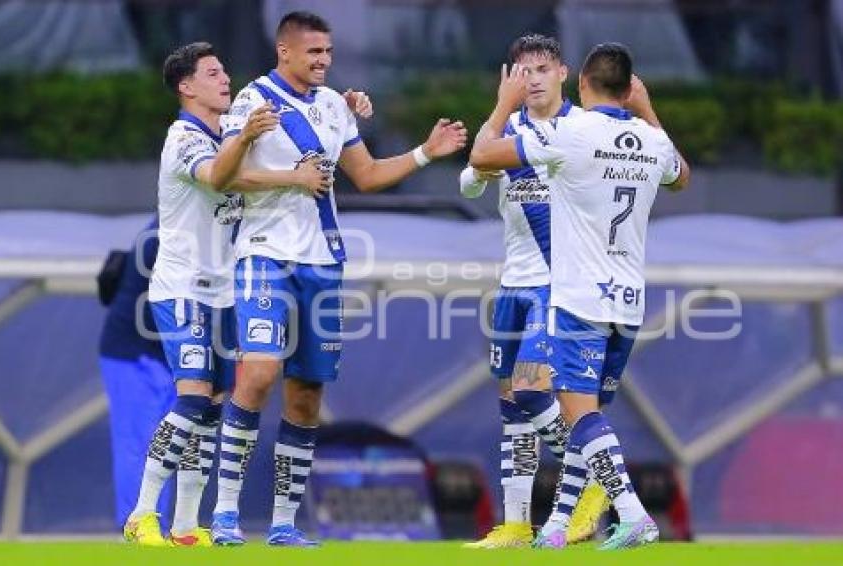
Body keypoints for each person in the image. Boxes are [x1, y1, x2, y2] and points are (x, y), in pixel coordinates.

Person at [209, 10, 467, 547]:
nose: (325, 60)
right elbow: (222, 177)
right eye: (314, 52)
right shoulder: (252, 100)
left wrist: (425, 152)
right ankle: (225, 514)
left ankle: (283, 523)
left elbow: (367, 176)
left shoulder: (333, 106)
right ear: (285, 51)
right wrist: (286, 174)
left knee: (305, 396)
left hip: (322, 262)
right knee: (257, 375)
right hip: (263, 255)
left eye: (328, 52)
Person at [122, 40, 355, 547]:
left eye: (225, 69)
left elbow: (253, 165)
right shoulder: (183, 137)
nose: (225, 79)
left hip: (225, 292)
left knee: (213, 409)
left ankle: (186, 525)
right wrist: (293, 178)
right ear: (186, 87)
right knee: (192, 400)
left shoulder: (229, 133)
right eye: (212, 73)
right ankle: (142, 513)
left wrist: (340, 111)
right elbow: (221, 177)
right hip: (182, 287)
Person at [470, 42, 689, 550]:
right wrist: (649, 111)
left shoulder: (570, 133)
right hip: (629, 301)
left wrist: (504, 104)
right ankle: (553, 528)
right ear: (630, 89)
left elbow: (483, 155)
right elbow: (682, 177)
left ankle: (631, 513)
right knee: (583, 415)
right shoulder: (652, 141)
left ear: (581, 83)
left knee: (576, 414)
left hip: (576, 298)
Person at [459, 33, 607, 548]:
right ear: (511, 78)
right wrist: (499, 113)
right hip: (513, 281)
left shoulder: (581, 129)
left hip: (559, 282)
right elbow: (469, 184)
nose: (534, 79)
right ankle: (518, 523)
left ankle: (595, 472)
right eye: (523, 71)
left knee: (530, 388)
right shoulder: (506, 129)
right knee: (511, 405)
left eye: (543, 69)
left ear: (562, 73)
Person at [98, 217, 175, 531]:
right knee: (139, 443)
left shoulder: (178, 224)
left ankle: (157, 526)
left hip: (162, 355)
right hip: (134, 354)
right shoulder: (166, 232)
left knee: (165, 447)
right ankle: (135, 527)